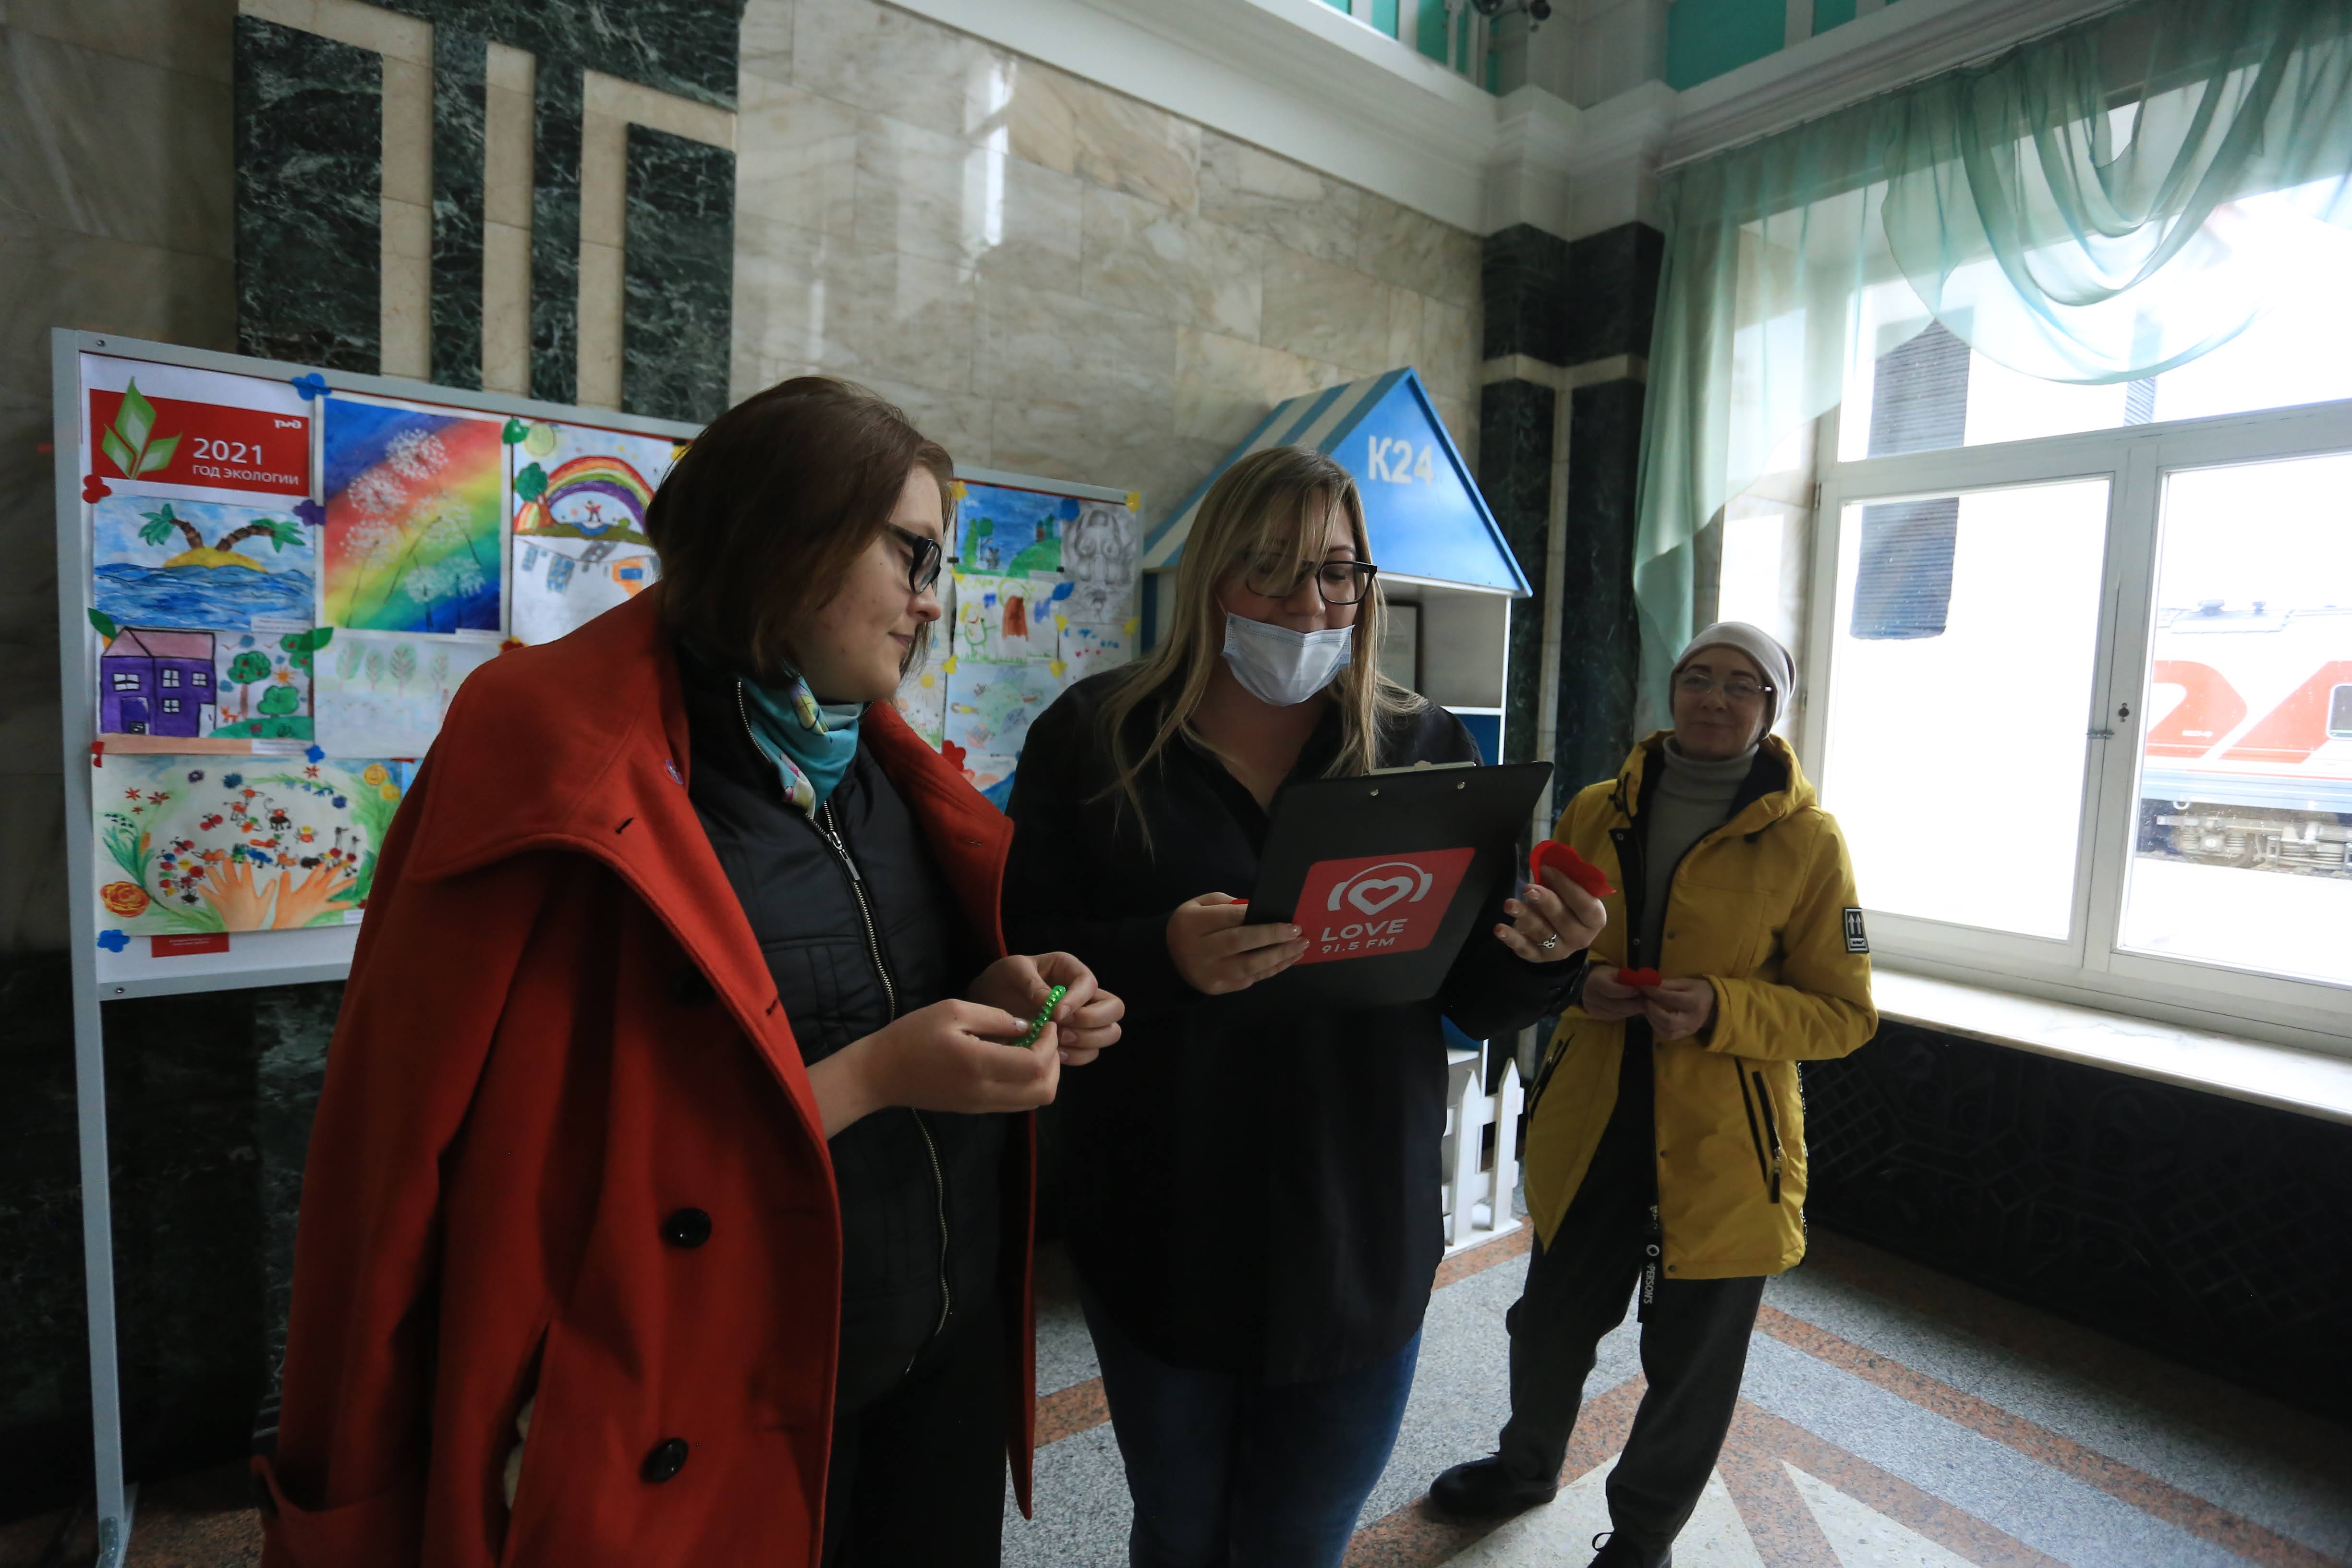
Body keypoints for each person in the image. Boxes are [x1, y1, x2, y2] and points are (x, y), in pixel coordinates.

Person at [254, 377, 1125, 1568]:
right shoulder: (555, 759)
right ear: (791, 532)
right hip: (708, 1399)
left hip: (933, 1365)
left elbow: (859, 1000)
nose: (932, 600)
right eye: (913, 553)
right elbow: (495, 1161)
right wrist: (875, 1075)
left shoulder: (872, 768)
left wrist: (996, 1000)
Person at [1002, 444, 1606, 1568]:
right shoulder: (1095, 739)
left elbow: (1474, 992)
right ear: (1211, 574)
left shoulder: (1423, 747)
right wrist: (1161, 954)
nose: (1308, 602)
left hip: (1354, 1230)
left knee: (1298, 1541)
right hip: (1163, 1221)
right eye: (1271, 568)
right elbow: (1022, 959)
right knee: (1179, 1535)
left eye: (1336, 571)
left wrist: (1547, 958)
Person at [1428, 622, 1877, 1568]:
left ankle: (1641, 1537)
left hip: (1726, 1145)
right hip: (1592, 1118)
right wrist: (1573, 984)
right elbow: (1541, 939)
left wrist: (1722, 1006)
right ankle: (1523, 1466)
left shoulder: (1809, 841)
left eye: (1742, 684)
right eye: (1697, 676)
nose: (1715, 697)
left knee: (1693, 1361)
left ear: (1773, 707)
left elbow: (1844, 1014)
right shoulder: (1596, 807)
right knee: (1548, 1323)